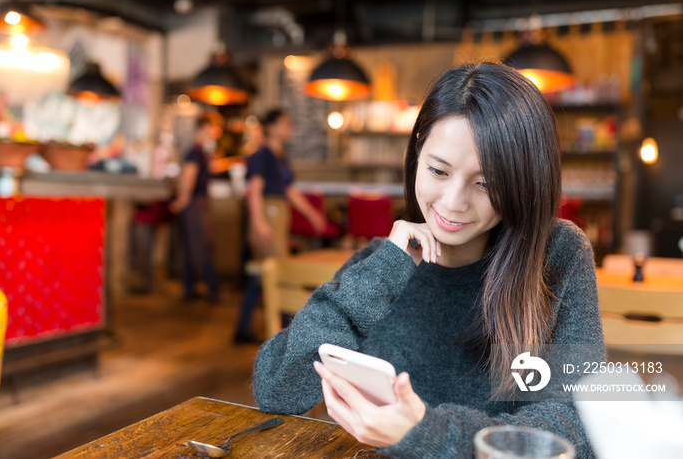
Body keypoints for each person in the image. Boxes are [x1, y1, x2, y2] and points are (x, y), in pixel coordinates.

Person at [252, 62, 605, 457]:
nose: (453, 203)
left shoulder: (558, 253)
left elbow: (579, 423)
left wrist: (426, 432)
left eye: (485, 183)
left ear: (522, 183)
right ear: (418, 154)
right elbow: (276, 389)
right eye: (439, 170)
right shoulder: (382, 265)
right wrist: (386, 270)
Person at [234, 109, 327, 344]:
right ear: (272, 126)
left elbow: (288, 190)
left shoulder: (278, 156)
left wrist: (311, 213)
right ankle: (290, 333)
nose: (290, 128)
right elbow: (254, 190)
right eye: (286, 123)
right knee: (279, 271)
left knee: (264, 273)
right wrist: (258, 223)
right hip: (268, 214)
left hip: (277, 215)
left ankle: (243, 328)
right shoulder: (263, 154)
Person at [170, 115, 221, 303]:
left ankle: (189, 288)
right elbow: (188, 176)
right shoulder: (195, 152)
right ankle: (213, 289)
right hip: (194, 203)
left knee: (193, 247)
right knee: (202, 246)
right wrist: (184, 199)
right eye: (213, 128)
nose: (214, 133)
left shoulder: (200, 151)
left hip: (196, 201)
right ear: (204, 127)